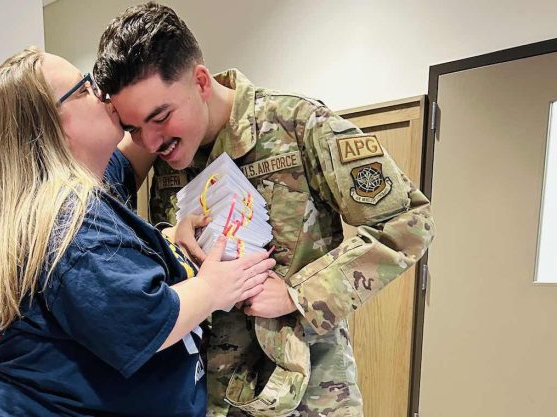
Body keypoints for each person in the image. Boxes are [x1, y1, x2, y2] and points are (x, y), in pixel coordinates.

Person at [93, 3, 435, 416]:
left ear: (200, 81)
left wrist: (298, 294)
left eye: (160, 117)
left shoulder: (297, 123)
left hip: (309, 396)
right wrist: (171, 240)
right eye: (134, 129)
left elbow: (408, 222)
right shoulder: (164, 161)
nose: (150, 142)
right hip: (208, 396)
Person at [0, 47, 276, 417]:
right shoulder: (70, 222)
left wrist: (182, 98)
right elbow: (147, 324)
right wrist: (213, 287)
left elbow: (130, 156)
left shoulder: (80, 189)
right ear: (52, 130)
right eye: (84, 89)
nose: (103, 95)